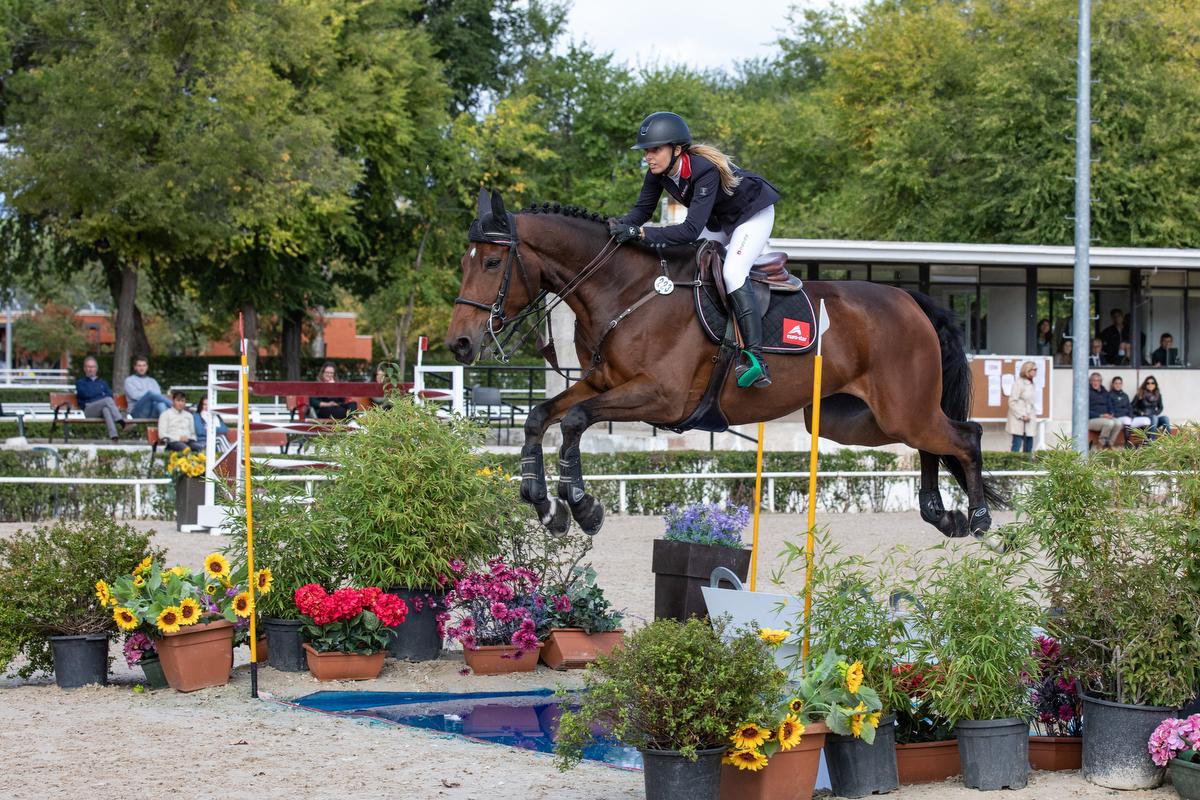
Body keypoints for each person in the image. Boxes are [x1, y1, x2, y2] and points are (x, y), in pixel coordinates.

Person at [611, 112, 781, 389]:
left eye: (655, 150)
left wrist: (640, 234)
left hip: (752, 214)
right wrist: (614, 228)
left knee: (733, 272)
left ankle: (755, 358)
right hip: (720, 220)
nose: (648, 157)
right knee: (686, 262)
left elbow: (689, 230)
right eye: (646, 151)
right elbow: (642, 211)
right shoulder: (659, 173)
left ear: (677, 150)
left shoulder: (704, 170)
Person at [75, 355, 129, 442]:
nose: (90, 369)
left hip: (101, 408)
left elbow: (109, 394)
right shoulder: (80, 383)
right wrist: (101, 395)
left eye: (92, 367)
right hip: (89, 409)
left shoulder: (103, 382)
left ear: (96, 368)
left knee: (106, 409)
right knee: (107, 401)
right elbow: (87, 394)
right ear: (84, 368)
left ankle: (114, 436)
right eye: (88, 367)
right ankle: (121, 422)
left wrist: (97, 395)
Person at [1107, 376, 1150, 447]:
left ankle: (1144, 443)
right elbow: (1111, 409)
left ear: (1122, 384)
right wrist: (1124, 414)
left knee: (1146, 420)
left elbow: (1130, 408)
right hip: (1118, 418)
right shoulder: (1110, 395)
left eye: (1119, 383)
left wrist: (1131, 415)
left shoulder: (1125, 395)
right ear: (1112, 384)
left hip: (1128, 419)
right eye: (1116, 383)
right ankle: (1127, 444)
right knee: (1127, 420)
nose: (1118, 385)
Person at [1006, 361, 1038, 453]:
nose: (1036, 372)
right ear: (1028, 370)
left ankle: (1027, 466)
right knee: (1017, 445)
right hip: (1019, 419)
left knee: (1029, 445)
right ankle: (1013, 466)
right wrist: (1022, 415)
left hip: (1029, 418)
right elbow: (1012, 401)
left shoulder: (1032, 383)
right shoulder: (1019, 383)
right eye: (1034, 369)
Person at [1087, 372, 1121, 448]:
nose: (1096, 382)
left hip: (1105, 418)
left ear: (1101, 382)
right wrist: (1101, 415)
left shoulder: (1105, 392)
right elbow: (1085, 411)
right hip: (1091, 420)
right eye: (1093, 380)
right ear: (1090, 381)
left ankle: (1110, 444)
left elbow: (1110, 405)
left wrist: (1111, 413)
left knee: (1118, 423)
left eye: (1098, 380)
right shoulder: (1087, 392)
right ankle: (1101, 445)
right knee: (1109, 423)